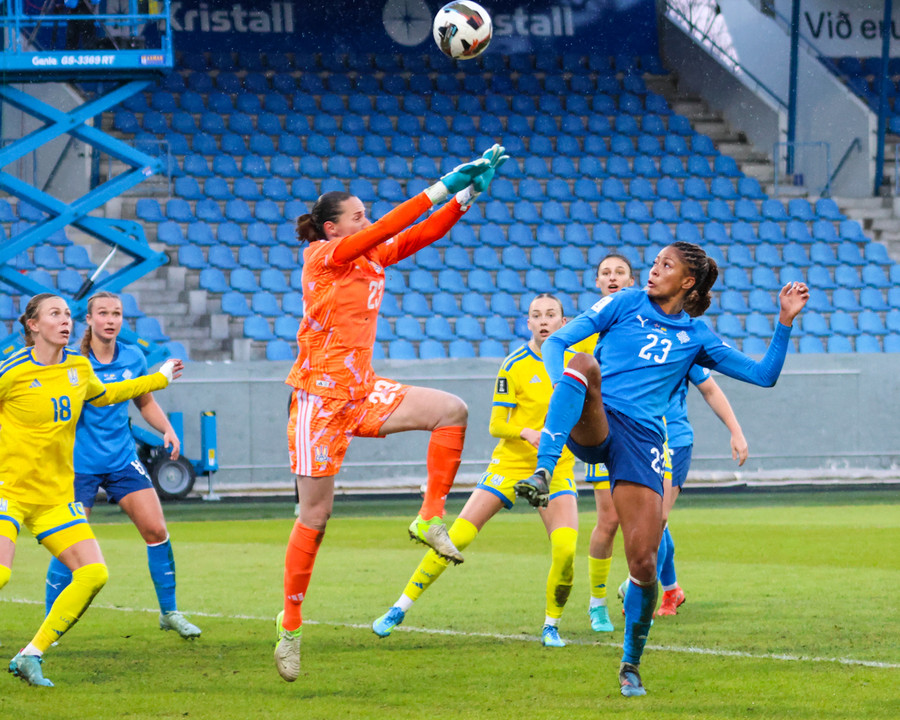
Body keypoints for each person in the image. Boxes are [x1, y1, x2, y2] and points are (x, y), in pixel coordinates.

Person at [513, 241, 808, 697]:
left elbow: (763, 375)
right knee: (583, 363)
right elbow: (557, 342)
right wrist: (562, 389)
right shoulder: (625, 301)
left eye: (664, 265)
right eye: (654, 263)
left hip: (643, 442)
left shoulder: (696, 336)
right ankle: (544, 472)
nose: (652, 270)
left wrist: (784, 321)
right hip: (599, 417)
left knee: (644, 563)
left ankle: (630, 664)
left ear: (687, 281)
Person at [275, 145, 509, 682]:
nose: (367, 220)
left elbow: (419, 234)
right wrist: (444, 184)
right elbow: (391, 227)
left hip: (361, 390)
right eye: (357, 216)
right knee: (315, 517)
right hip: (319, 400)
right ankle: (290, 627)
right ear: (332, 228)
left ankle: (429, 517)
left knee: (452, 410)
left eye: (366, 214)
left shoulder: (369, 256)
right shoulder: (322, 256)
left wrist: (467, 197)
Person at [370, 293, 580, 647]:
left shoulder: (577, 366)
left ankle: (551, 626)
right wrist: (526, 432)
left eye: (550, 314)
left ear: (564, 322)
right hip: (509, 465)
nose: (543, 320)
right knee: (456, 538)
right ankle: (398, 608)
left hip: (556, 470)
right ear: (528, 323)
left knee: (566, 549)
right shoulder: (514, 364)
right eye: (536, 315)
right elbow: (496, 425)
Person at [1, 294, 182, 687]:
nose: (65, 320)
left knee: (93, 573)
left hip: (53, 498)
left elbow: (110, 395)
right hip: (8, 493)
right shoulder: (11, 370)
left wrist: (161, 378)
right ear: (33, 325)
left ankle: (31, 654)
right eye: (55, 314)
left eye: (67, 314)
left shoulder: (79, 367)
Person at [580, 255, 749, 630]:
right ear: (596, 282)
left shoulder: (679, 335)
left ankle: (648, 587)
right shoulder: (598, 329)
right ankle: (601, 602)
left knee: (655, 520)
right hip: (611, 432)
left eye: (620, 272)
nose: (612, 278)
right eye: (605, 273)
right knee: (609, 521)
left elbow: (709, 386)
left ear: (633, 281)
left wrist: (735, 430)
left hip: (665, 437)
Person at [43, 291, 201, 640]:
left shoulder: (133, 356)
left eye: (116, 313)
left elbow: (144, 402)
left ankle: (169, 613)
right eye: (103, 313)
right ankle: (48, 624)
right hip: (79, 465)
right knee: (69, 543)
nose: (110, 320)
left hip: (121, 460)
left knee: (156, 531)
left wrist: (167, 429)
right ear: (89, 319)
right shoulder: (71, 361)